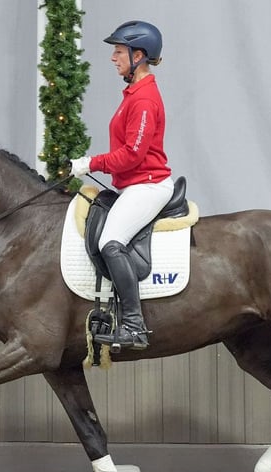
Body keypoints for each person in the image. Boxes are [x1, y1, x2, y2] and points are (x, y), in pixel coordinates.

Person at [70, 20, 174, 351]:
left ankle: (134, 325)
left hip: (148, 185)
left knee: (110, 241)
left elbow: (132, 155)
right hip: (133, 185)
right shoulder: (133, 93)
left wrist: (91, 163)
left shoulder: (143, 99)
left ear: (138, 55)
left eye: (118, 51)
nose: (113, 58)